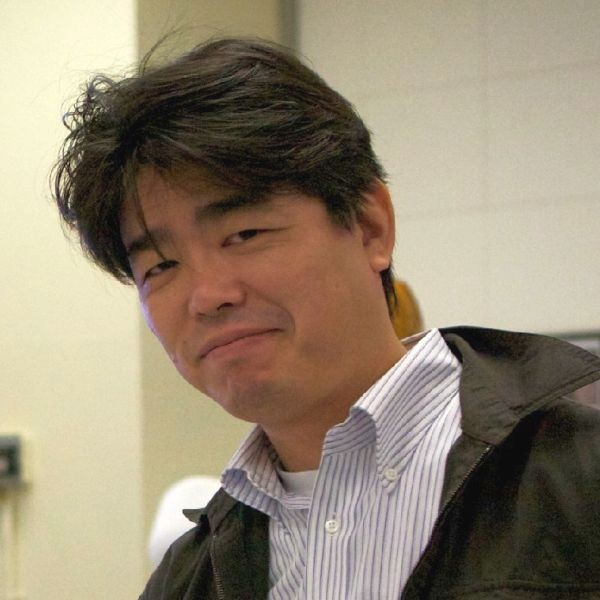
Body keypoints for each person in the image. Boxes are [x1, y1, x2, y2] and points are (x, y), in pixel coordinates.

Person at [51, 38, 600, 599]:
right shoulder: (188, 577)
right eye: (161, 266)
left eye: (244, 234)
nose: (208, 296)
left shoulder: (575, 476)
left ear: (369, 227)